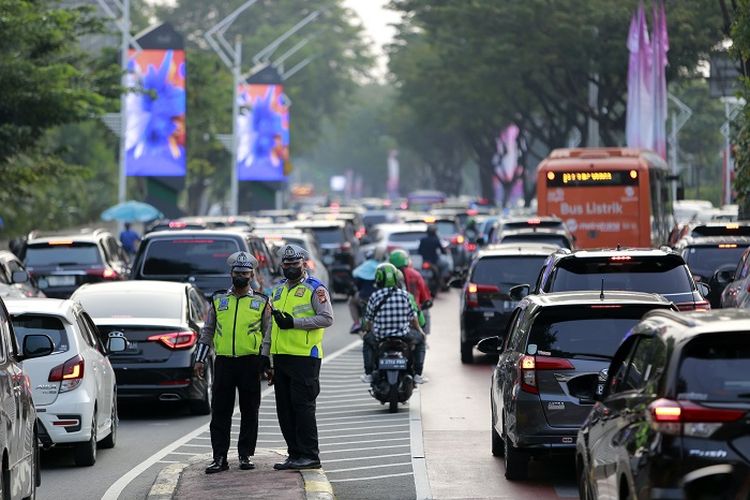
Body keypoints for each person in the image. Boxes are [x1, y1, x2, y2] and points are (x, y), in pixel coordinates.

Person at [194, 251, 274, 474]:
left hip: (250, 363)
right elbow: (207, 331)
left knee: (250, 411)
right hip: (224, 363)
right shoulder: (219, 299)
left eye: (246, 273)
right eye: (238, 273)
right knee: (220, 411)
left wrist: (269, 364)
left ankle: (245, 455)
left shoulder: (261, 302)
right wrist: (200, 359)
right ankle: (219, 457)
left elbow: (268, 334)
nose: (241, 276)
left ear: (252, 275)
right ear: (231, 273)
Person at [270, 244, 334, 471]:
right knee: (284, 409)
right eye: (286, 265)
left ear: (303, 264)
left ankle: (309, 455)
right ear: (281, 265)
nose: (290, 268)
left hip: (305, 357)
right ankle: (294, 454)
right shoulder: (277, 290)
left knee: (303, 407)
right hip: (281, 357)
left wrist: (295, 323)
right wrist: (265, 356)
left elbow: (327, 318)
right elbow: (272, 325)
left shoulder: (315, 288)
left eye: (294, 264)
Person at [361, 263, 426, 384]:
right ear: (396, 278)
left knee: (367, 340)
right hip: (404, 336)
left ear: (379, 278)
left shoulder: (374, 296)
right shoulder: (405, 295)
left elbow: (368, 320)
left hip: (381, 336)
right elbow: (414, 318)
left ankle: (368, 374)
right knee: (421, 340)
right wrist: (420, 331)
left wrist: (367, 331)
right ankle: (418, 374)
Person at [389, 248, 432, 333]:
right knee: (425, 313)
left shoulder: (388, 276)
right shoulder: (415, 274)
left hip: (392, 314)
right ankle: (423, 340)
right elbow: (425, 297)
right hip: (414, 312)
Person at [349, 249, 379, 333]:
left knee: (351, 302)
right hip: (380, 298)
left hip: (364, 297)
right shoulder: (381, 266)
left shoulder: (363, 267)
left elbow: (355, 280)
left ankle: (356, 323)